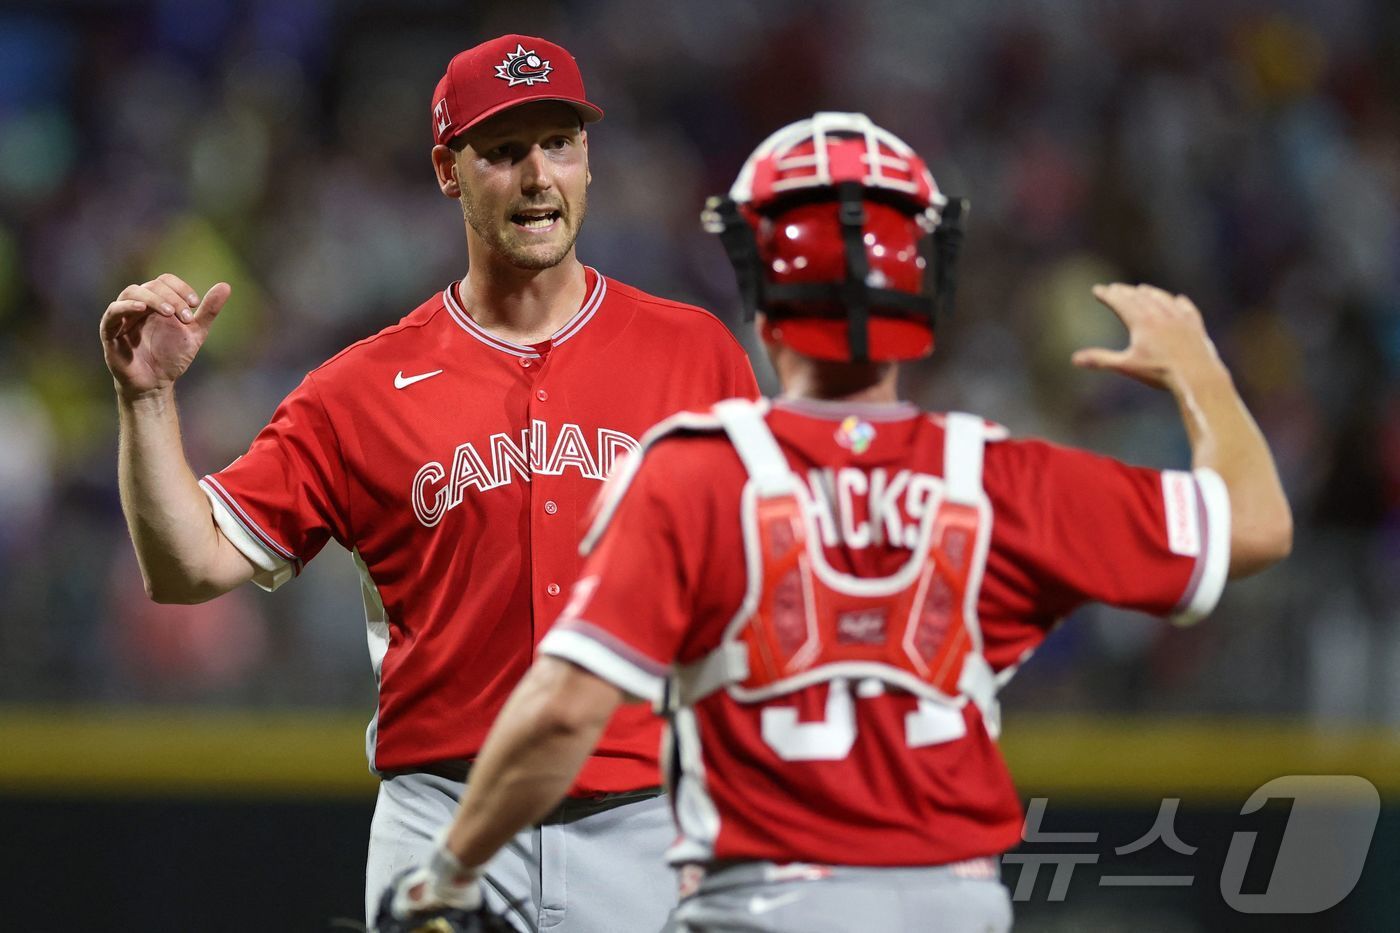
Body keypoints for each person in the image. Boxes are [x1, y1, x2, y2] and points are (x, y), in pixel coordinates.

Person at [374, 112, 1292, 932]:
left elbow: (563, 712)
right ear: (930, 280)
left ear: (757, 283)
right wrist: (1197, 370)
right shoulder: (1000, 475)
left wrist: (447, 870)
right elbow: (1254, 526)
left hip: (759, 899)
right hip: (955, 905)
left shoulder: (697, 476)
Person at [99, 33, 757, 932]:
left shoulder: (695, 355)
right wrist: (148, 402)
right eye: (503, 150)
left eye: (559, 142)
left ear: (589, 159)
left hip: (649, 824)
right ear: (448, 170)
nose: (537, 176)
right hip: (441, 818)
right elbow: (187, 569)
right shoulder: (360, 388)